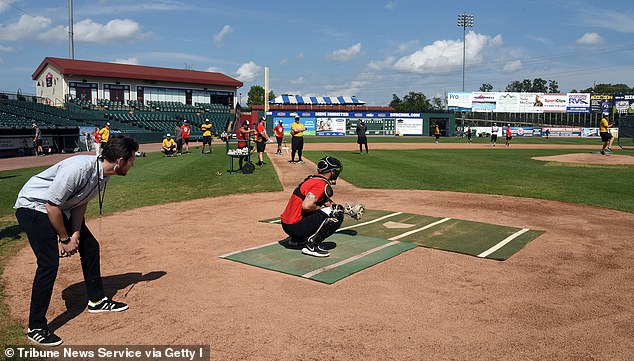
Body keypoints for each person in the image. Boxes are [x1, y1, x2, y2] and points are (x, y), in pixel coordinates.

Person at [14, 135, 138, 346]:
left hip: (60, 207)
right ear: (119, 160)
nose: (133, 163)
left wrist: (76, 234)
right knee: (48, 262)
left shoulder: (104, 175)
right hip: (34, 206)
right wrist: (64, 239)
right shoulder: (79, 168)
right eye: (132, 159)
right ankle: (35, 326)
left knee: (90, 246)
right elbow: (51, 205)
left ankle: (97, 301)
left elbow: (80, 203)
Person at [280, 156, 345, 257]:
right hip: (296, 227)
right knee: (336, 213)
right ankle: (312, 245)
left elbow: (327, 202)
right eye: (335, 170)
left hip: (287, 225)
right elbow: (307, 206)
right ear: (331, 171)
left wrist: (346, 210)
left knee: (336, 209)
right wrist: (322, 210)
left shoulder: (312, 179)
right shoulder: (320, 184)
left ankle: (297, 239)